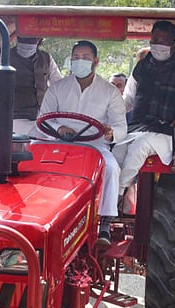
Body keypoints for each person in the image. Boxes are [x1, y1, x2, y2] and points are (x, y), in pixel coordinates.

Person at [39, 40, 127, 246]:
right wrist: (59, 129)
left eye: (85, 58)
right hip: (58, 143)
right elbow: (44, 117)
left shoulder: (109, 91)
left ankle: (104, 223)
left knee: (112, 168)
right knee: (30, 162)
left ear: (95, 61)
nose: (80, 62)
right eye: (76, 58)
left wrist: (111, 133)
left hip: (94, 146)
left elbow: (121, 126)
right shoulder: (57, 89)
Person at [118, 20, 175, 191]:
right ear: (150, 40)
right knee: (118, 150)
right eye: (156, 40)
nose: (159, 45)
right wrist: (112, 114)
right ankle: (107, 196)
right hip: (140, 128)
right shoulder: (141, 66)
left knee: (139, 147)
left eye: (164, 41)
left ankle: (119, 194)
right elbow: (128, 99)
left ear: (174, 44)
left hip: (171, 133)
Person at [0, 36, 63, 136]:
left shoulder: (46, 58)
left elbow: (59, 85)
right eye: (24, 39)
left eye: (32, 39)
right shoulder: (4, 57)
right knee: (39, 136)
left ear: (39, 40)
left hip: (43, 117)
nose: (28, 42)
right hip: (14, 118)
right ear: (18, 38)